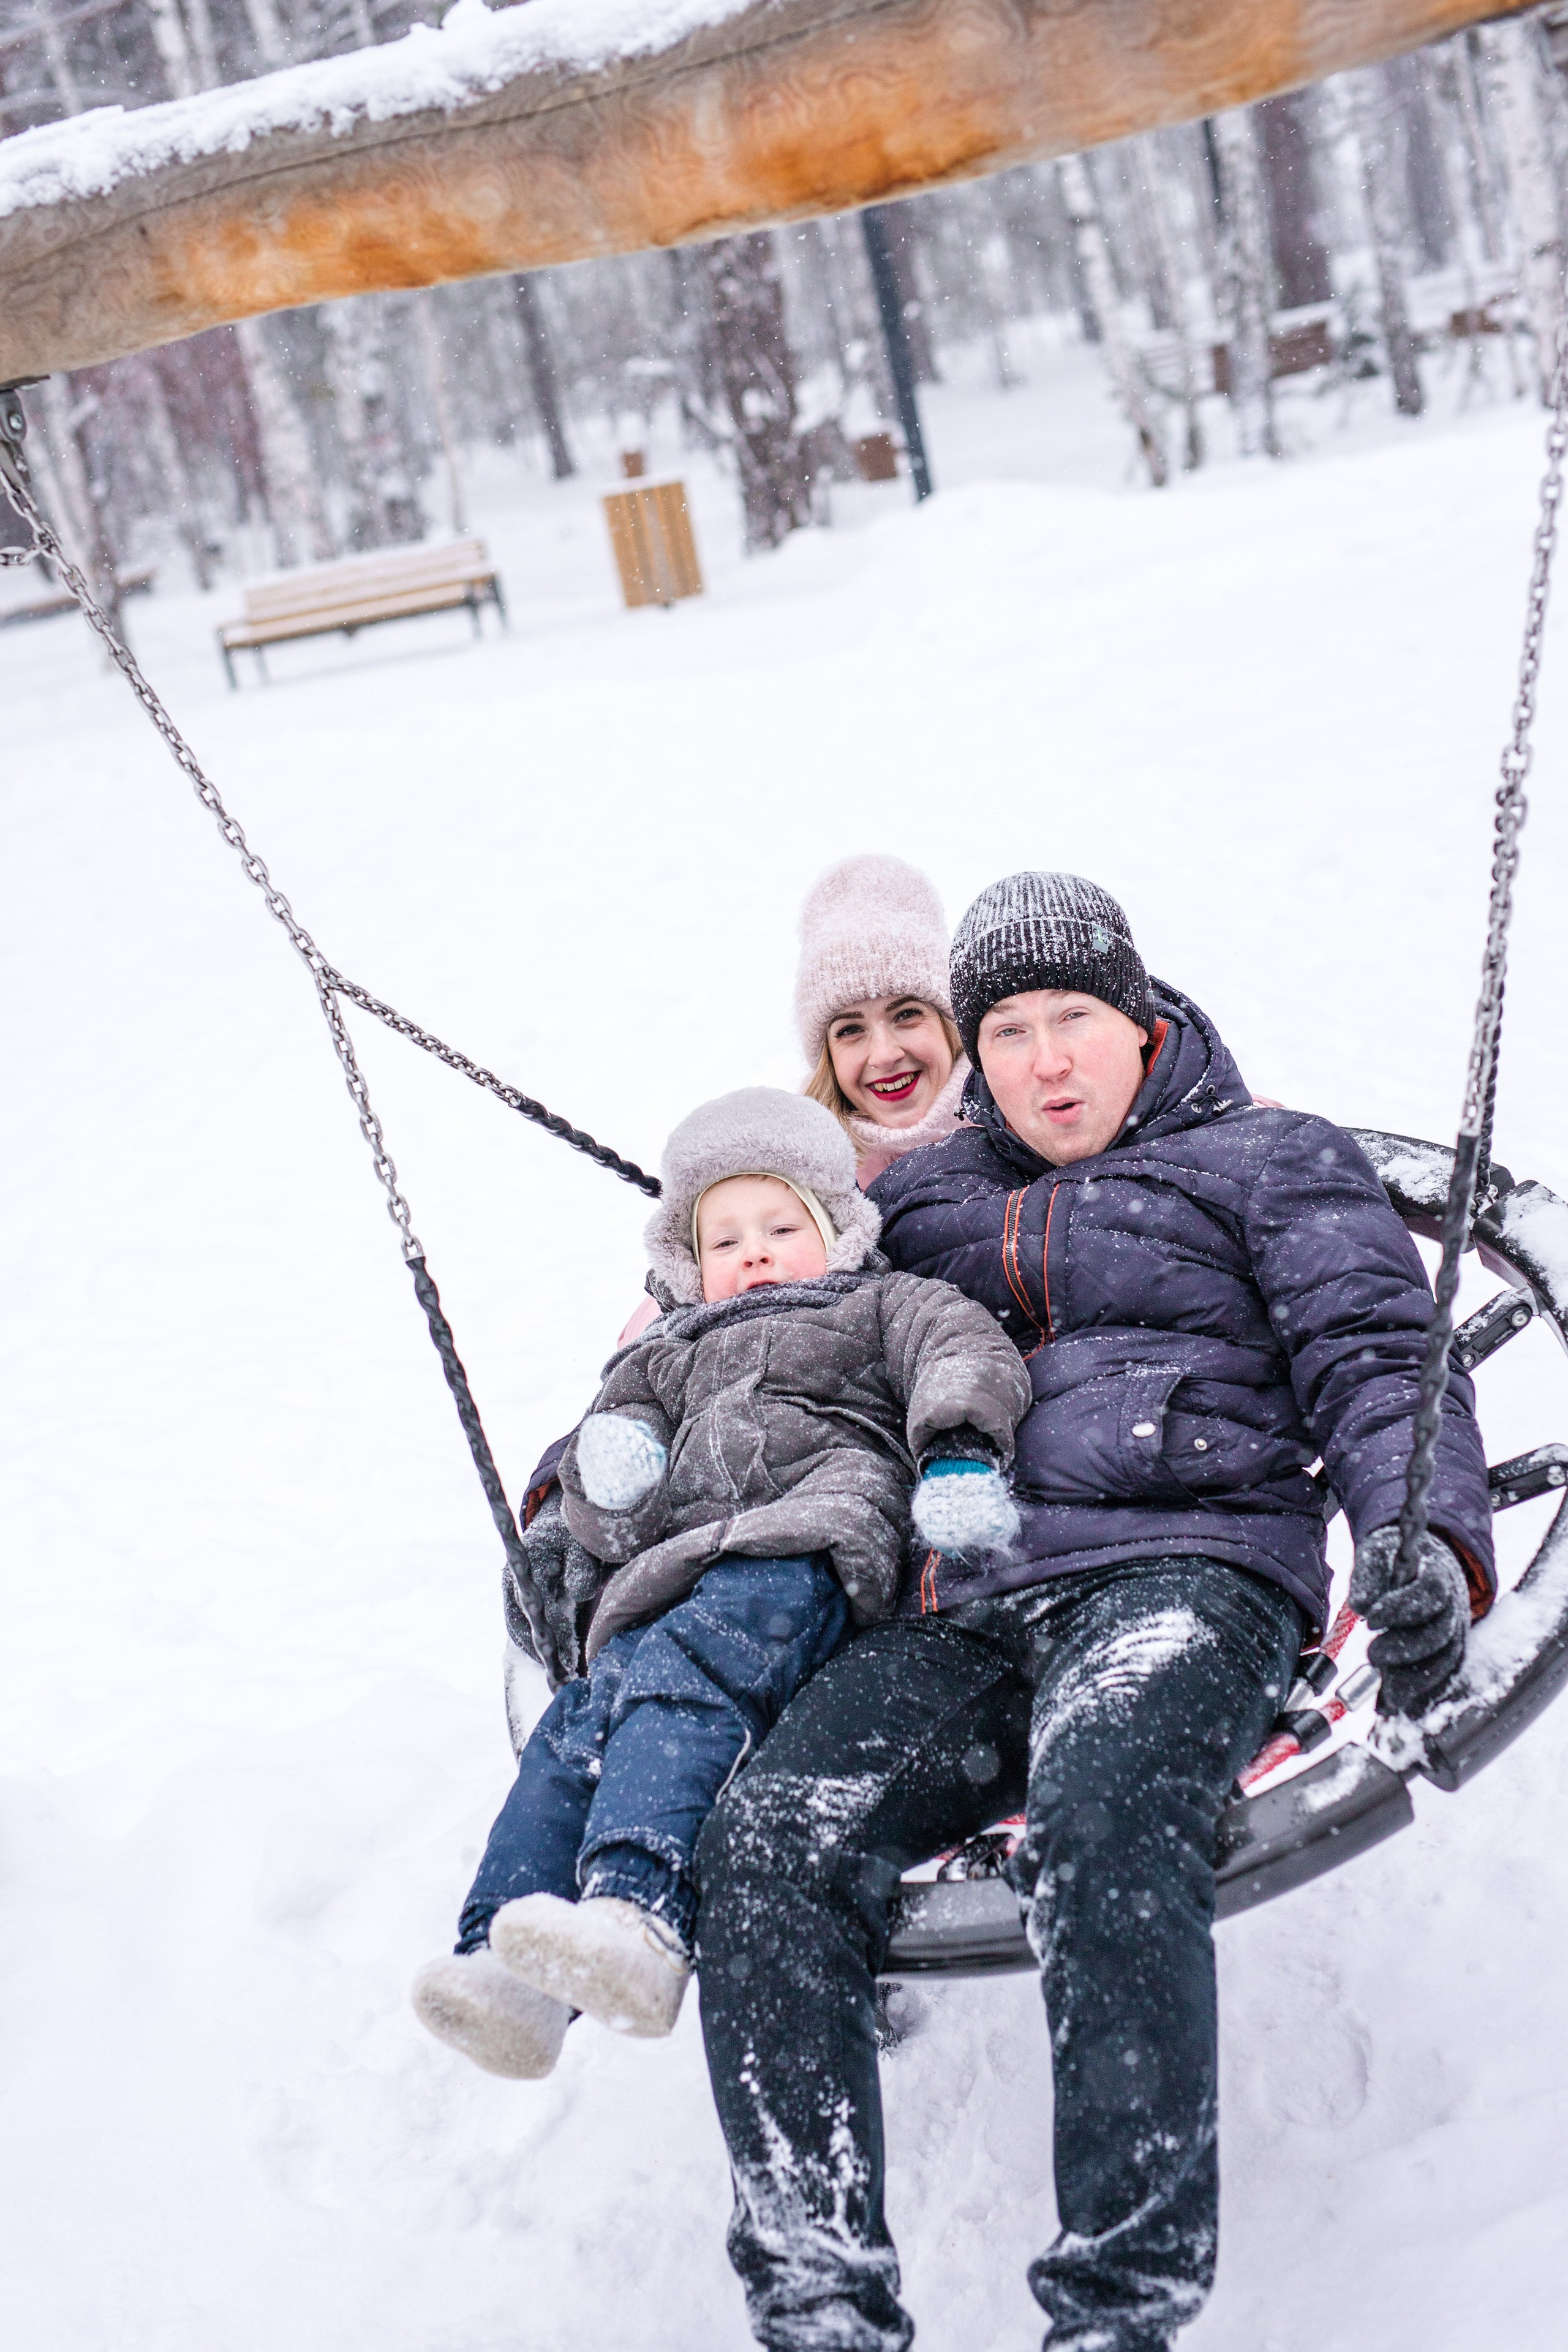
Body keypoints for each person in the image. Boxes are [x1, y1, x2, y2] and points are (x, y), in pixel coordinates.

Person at [695, 873, 1496, 2352]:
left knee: (1108, 1799)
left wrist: (1420, 1543)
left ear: (1138, 1022)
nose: (1044, 1063)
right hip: (960, 1609)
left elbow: (1387, 1361)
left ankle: (1117, 2312)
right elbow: (753, 1349)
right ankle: (817, 2309)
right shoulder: (913, 1205)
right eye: (1005, 1031)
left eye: (1073, 1021)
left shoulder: (1267, 1162)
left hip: (1183, 1573)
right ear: (969, 1055)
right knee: (764, 1835)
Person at [412, 1086, 1031, 2081]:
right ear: (686, 1267)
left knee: (691, 1685)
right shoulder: (664, 1357)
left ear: (839, 1229)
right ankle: (506, 1966)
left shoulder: (882, 1304)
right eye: (725, 1238)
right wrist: (614, 1470)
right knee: (576, 1732)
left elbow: (965, 1356)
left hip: (809, 1545)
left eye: (782, 1225)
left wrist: (957, 1454)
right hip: (673, 1577)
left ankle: (642, 1913)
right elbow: (606, 1507)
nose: (753, 1252)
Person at [503, 852, 971, 1690]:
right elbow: (665, 1349)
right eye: (850, 1029)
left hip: (920, 1474)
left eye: (908, 1014)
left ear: (952, 1021)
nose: (884, 1052)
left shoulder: (1018, 1133)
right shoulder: (792, 1171)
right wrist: (560, 1497)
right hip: (785, 1495)